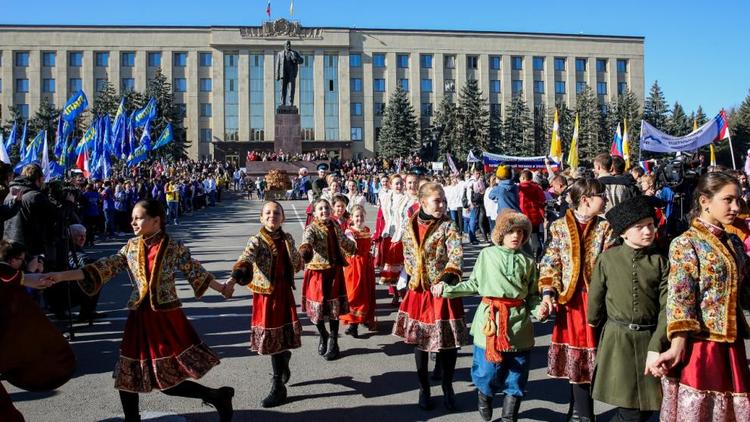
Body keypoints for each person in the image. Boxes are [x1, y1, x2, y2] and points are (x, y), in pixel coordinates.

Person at [40, 200, 236, 422]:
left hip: (164, 319)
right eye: (132, 217)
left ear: (156, 221)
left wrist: (223, 289)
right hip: (138, 318)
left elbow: (197, 272)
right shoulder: (131, 247)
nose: (133, 221)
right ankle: (132, 419)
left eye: (138, 217)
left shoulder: (173, 247)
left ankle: (216, 396)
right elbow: (102, 268)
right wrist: (60, 276)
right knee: (128, 372)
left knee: (166, 380)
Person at [648, 172, 750, 422]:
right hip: (701, 346)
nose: (735, 207)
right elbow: (680, 298)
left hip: (731, 343)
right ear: (705, 201)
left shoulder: (731, 241)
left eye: (738, 200)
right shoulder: (686, 243)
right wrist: (677, 344)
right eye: (728, 200)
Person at [436, 210, 545, 421]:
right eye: (511, 231)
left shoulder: (528, 261)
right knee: (486, 372)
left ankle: (508, 417)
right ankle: (484, 395)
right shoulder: (487, 255)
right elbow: (475, 284)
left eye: (521, 232)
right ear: (501, 234)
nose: (517, 236)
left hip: (518, 324)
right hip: (490, 321)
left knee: (517, 375)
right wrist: (447, 289)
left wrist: (538, 308)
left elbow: (532, 295)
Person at [538, 177, 613, 422]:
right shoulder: (559, 227)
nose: (605, 199)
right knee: (577, 358)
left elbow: (611, 263)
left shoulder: (606, 228)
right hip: (570, 304)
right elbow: (551, 262)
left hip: (596, 302)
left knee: (592, 358)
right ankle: (582, 413)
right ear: (585, 199)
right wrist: (548, 293)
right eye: (601, 194)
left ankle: (580, 409)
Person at [588, 195, 669, 422]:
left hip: (650, 339)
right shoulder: (607, 259)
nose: (647, 231)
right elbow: (595, 300)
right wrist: (595, 323)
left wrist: (658, 341)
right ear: (623, 232)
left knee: (648, 406)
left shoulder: (661, 261)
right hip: (618, 339)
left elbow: (666, 306)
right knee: (629, 408)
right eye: (639, 227)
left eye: (650, 225)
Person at [392, 182, 468, 412]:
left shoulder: (448, 225)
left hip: (442, 292)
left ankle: (447, 386)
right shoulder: (410, 224)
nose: (442, 205)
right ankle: (424, 388)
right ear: (423, 201)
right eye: (437, 200)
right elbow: (407, 255)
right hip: (419, 292)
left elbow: (456, 255)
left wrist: (445, 279)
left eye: (444, 200)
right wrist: (413, 278)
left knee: (448, 345)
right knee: (421, 343)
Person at [227, 201, 304, 408]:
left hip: (284, 292)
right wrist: (234, 278)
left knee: (279, 337)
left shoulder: (287, 238)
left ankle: (278, 384)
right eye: (268, 213)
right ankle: (281, 367)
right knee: (271, 338)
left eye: (277, 212)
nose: (272, 216)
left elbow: (297, 262)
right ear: (261, 218)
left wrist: (304, 254)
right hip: (266, 296)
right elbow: (246, 258)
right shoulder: (257, 240)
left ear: (283, 217)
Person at [299, 198, 357, 361]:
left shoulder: (335, 225)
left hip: (334, 272)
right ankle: (323, 334)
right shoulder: (311, 228)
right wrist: (304, 251)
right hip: (317, 273)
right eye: (320, 209)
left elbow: (343, 241)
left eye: (326, 208)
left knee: (333, 309)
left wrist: (355, 247)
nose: (324, 211)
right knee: (317, 310)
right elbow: (306, 243)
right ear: (315, 212)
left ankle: (333, 342)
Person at [341, 205, 377, 338]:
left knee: (366, 292)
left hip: (366, 265)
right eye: (356, 216)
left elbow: (369, 246)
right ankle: (353, 324)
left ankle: (363, 319)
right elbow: (348, 248)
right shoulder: (349, 232)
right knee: (354, 294)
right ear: (351, 218)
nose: (359, 218)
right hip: (354, 266)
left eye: (361, 216)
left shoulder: (367, 229)